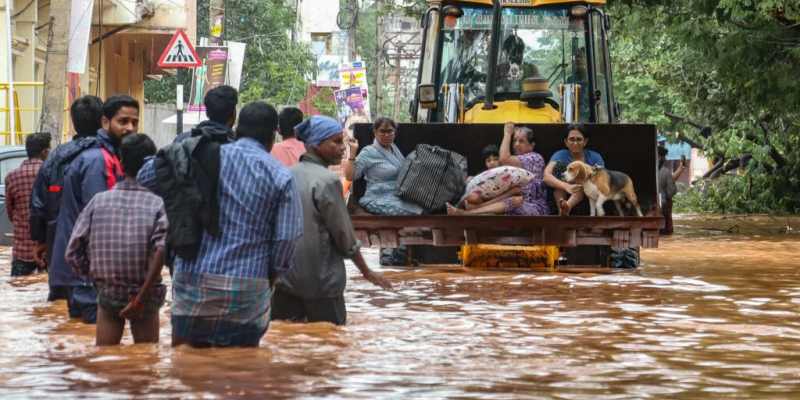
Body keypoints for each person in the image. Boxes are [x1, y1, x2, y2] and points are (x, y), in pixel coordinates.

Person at [139, 102, 302, 347]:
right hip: (248, 288)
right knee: (240, 368)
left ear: (237, 127)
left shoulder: (200, 156)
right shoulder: (280, 175)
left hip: (192, 282)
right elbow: (287, 239)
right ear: (273, 134)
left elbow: (145, 178)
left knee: (187, 367)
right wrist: (269, 278)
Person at [272, 116, 392, 325]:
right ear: (316, 144)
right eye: (336, 142)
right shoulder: (327, 181)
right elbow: (344, 236)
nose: (342, 149)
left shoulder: (286, 174)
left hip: (286, 283)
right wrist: (367, 272)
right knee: (332, 344)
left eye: (342, 142)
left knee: (285, 341)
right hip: (323, 285)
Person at [65, 134, 166, 346]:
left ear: (120, 162)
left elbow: (72, 251)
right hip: (145, 296)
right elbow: (161, 249)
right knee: (146, 363)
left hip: (109, 292)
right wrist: (140, 296)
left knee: (105, 361)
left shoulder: (98, 201)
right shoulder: (157, 204)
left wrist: (96, 278)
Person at [50, 95, 138, 323]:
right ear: (105, 122)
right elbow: (101, 219)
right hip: (88, 272)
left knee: (86, 345)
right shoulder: (98, 160)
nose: (130, 128)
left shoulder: (105, 155)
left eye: (134, 122)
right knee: (98, 339)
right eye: (123, 121)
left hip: (83, 271)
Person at [29, 95, 103, 300]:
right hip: (100, 250)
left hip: (58, 247)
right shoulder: (109, 154)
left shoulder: (55, 157)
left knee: (61, 312)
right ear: (103, 120)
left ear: (73, 122)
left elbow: (38, 203)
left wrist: (39, 239)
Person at [448, 122, 548, 216]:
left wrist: (507, 133)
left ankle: (468, 213)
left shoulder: (536, 158)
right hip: (513, 201)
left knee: (515, 201)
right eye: (515, 141)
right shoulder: (513, 164)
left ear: (532, 145)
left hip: (534, 206)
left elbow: (504, 159)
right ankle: (474, 209)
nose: (516, 144)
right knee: (475, 197)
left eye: (521, 141)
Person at [342, 117, 422, 216]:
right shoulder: (368, 152)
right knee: (413, 212)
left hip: (399, 194)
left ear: (395, 132)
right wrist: (353, 152)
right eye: (382, 131)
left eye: (390, 131)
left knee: (425, 205)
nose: (386, 135)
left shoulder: (394, 148)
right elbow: (350, 176)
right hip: (378, 197)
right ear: (375, 132)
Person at [5, 132, 51, 276]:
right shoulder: (51, 174)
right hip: (46, 250)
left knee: (18, 290)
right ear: (45, 152)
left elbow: (11, 213)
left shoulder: (12, 177)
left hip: (21, 251)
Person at [543, 124, 605, 216]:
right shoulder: (560, 155)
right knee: (559, 183)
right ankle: (562, 212)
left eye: (579, 139)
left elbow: (602, 178)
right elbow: (546, 177)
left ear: (585, 141)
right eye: (572, 139)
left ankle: (567, 207)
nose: (575, 143)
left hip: (589, 192)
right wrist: (566, 186)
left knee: (581, 185)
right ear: (566, 142)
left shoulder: (595, 157)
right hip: (563, 191)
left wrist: (581, 182)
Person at [658, 146, 685, 235]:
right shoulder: (665, 172)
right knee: (667, 232)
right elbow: (671, 192)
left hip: (646, 209)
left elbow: (670, 179)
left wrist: (681, 169)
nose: (665, 159)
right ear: (659, 157)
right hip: (663, 208)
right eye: (664, 156)